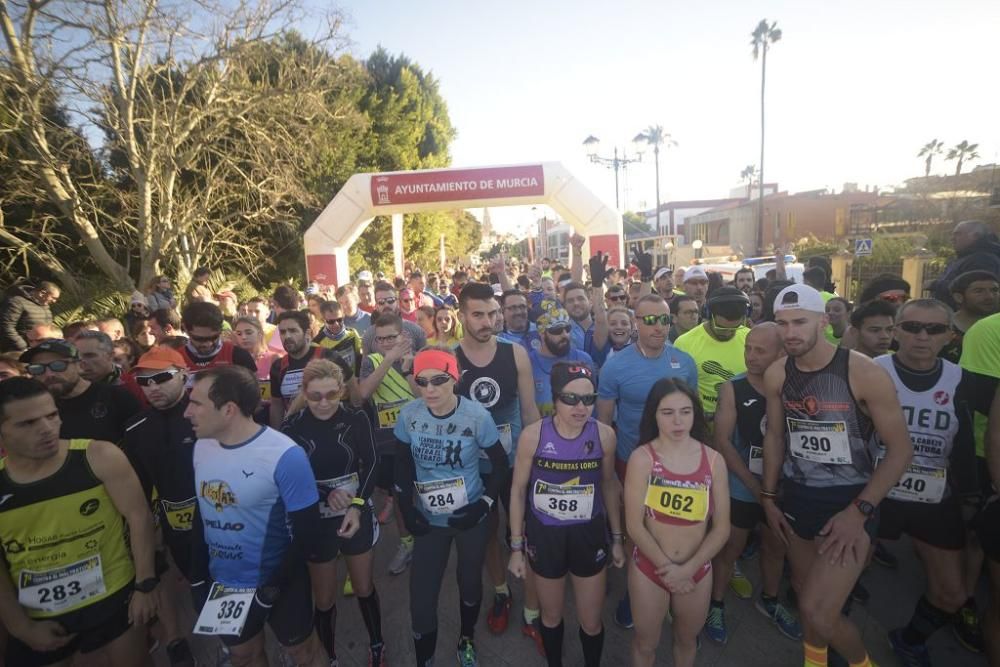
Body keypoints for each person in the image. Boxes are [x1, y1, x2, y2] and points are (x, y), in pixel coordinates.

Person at [760, 284, 913, 667]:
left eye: (799, 322)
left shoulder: (863, 371)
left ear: (823, 321)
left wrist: (858, 512)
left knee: (818, 610)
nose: (790, 332)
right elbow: (776, 436)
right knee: (805, 593)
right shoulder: (778, 373)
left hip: (850, 502)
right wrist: (767, 498)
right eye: (782, 323)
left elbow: (900, 451)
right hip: (797, 497)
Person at [0, 377, 158, 667]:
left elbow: (139, 517)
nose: (46, 429)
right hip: (39, 613)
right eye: (27, 424)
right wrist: (20, 627)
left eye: (51, 416)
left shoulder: (99, 456)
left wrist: (145, 585)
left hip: (113, 597)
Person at [185, 365, 328, 666]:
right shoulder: (201, 447)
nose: (187, 412)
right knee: (243, 655)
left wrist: (269, 591)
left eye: (196, 403)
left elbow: (309, 534)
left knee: (304, 653)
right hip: (225, 581)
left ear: (228, 410)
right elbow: (202, 514)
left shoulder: (285, 455)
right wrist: (198, 579)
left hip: (279, 581)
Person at [870, 299, 978, 665]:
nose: (921, 336)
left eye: (933, 329)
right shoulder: (871, 371)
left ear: (949, 336)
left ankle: (911, 639)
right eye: (912, 327)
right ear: (896, 331)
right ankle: (835, 640)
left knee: (952, 593)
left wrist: (971, 493)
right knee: (840, 578)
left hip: (934, 491)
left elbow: (966, 441)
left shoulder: (961, 379)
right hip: (875, 489)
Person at [393, 348, 509, 667]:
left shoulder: (476, 416)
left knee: (469, 583)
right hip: (429, 519)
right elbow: (401, 463)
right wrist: (406, 506)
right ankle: (424, 659)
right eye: (422, 381)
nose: (429, 389)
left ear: (454, 379)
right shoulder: (410, 414)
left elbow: (500, 465)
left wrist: (483, 505)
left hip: (468, 516)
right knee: (421, 600)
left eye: (439, 380)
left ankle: (466, 639)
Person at [507, 362, 623, 667]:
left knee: (591, 621)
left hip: (588, 534)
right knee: (551, 615)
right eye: (570, 398)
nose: (580, 407)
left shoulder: (605, 436)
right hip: (546, 536)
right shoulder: (533, 436)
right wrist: (516, 548)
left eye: (588, 398)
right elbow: (518, 491)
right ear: (555, 398)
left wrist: (618, 538)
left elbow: (610, 485)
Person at [454, 282, 542, 645]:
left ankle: (534, 611)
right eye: (478, 314)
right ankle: (502, 591)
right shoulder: (449, 359)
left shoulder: (515, 353)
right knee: (488, 534)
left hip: (516, 461)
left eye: (492, 313)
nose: (487, 321)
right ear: (461, 316)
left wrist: (542, 458)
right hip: (476, 468)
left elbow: (530, 409)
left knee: (531, 533)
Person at [281, 360, 386, 666]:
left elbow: (372, 463)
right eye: (315, 396)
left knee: (364, 587)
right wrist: (327, 493)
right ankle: (328, 656)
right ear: (304, 393)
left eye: (331, 394)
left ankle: (377, 644)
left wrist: (356, 504)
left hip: (354, 513)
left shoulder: (356, 418)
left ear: (341, 390)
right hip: (316, 518)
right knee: (324, 599)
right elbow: (288, 477)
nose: (324, 403)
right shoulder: (292, 426)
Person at [704, 323, 801, 644]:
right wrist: (758, 490)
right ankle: (715, 604)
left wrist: (774, 491)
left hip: (784, 486)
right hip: (742, 485)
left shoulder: (797, 387)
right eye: (748, 348)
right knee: (730, 547)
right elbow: (722, 441)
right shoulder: (733, 388)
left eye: (760, 350)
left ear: (781, 353)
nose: (751, 356)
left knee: (776, 547)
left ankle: (770, 600)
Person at [624, 378, 730, 667]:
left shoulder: (714, 460)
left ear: (695, 413)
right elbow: (634, 525)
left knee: (686, 641)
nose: (678, 421)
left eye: (685, 411)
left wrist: (688, 569)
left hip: (697, 569)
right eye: (667, 412)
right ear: (653, 415)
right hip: (650, 568)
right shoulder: (642, 459)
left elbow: (722, 528)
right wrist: (669, 570)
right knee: (646, 644)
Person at [122, 346, 199, 666]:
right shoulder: (135, 428)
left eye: (162, 377)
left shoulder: (208, 413)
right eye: (145, 381)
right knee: (195, 587)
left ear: (184, 375)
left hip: (222, 525)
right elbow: (139, 489)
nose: (153, 387)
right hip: (174, 529)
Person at [358, 313, 418, 576]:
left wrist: (407, 367)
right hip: (388, 444)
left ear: (403, 335)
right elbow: (362, 394)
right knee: (400, 498)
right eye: (379, 339)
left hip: (420, 440)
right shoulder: (371, 361)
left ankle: (432, 541)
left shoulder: (419, 358)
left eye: (391, 338)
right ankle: (406, 544)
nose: (384, 343)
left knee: (424, 495)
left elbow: (425, 397)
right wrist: (389, 359)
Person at [22, 339, 141, 442]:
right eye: (37, 368)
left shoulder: (116, 398)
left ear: (79, 365)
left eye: (58, 365)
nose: (49, 374)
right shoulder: (35, 410)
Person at [674, 287, 751, 420]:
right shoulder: (684, 343)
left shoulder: (750, 338)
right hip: (703, 422)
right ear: (708, 314)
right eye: (722, 327)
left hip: (744, 418)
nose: (728, 332)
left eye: (735, 328)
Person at [268, 310, 355, 427]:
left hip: (333, 428)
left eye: (293, 331)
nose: (287, 336)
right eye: (282, 332)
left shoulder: (329, 357)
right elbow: (276, 406)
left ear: (307, 333)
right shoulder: (278, 366)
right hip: (296, 431)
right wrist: (278, 435)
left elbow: (354, 391)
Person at [527, 303, 595, 415]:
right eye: (557, 331)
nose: (565, 335)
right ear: (542, 333)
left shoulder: (583, 359)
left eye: (567, 329)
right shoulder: (528, 363)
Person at [179, 302, 257, 384]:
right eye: (200, 339)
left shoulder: (239, 356)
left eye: (214, 337)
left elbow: (255, 393)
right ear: (185, 329)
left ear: (221, 329)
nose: (208, 344)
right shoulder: (173, 359)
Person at [930, 220, 1000, 308]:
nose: (952, 238)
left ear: (976, 235)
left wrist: (934, 285)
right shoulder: (964, 258)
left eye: (958, 234)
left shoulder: (982, 259)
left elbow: (970, 288)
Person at [939, 270, 1000, 363]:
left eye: (994, 290)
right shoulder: (939, 328)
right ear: (958, 297)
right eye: (979, 291)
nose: (990, 296)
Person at [361, 281, 427, 355]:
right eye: (381, 302)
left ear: (398, 302)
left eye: (390, 300)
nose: (386, 305)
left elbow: (425, 361)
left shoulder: (416, 331)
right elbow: (366, 366)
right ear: (376, 306)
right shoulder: (369, 336)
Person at [0, 281, 59, 352]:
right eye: (53, 298)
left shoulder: (46, 308)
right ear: (42, 293)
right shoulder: (18, 302)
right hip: (14, 350)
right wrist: (22, 347)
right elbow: (6, 326)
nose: (54, 301)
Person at [313, 300, 363, 378]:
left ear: (343, 316)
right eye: (330, 321)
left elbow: (359, 359)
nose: (336, 324)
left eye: (339, 320)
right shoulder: (317, 343)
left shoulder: (352, 333)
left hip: (353, 382)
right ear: (323, 320)